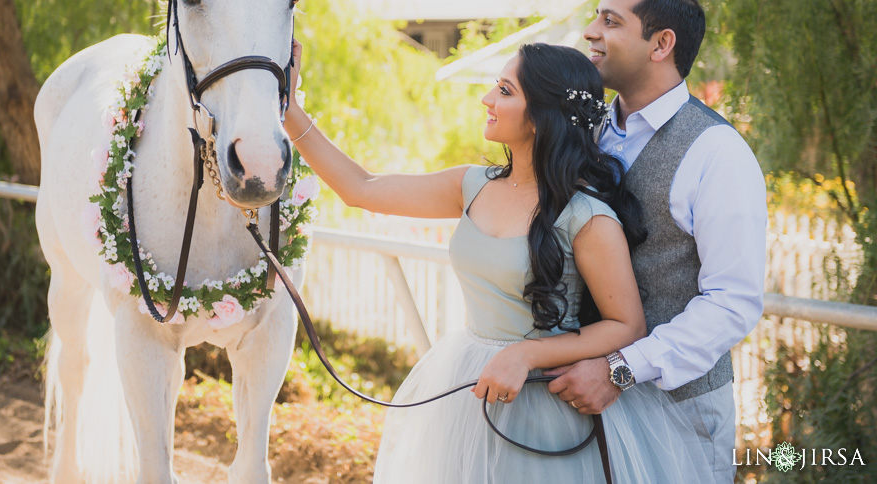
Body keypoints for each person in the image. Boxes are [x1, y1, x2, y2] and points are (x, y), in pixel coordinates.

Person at [283, 40, 713, 482]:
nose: (487, 99)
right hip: (468, 383)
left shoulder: (588, 217)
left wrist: (527, 353)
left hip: (544, 403)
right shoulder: (472, 184)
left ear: (541, 116)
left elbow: (627, 326)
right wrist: (289, 109)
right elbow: (361, 188)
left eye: (505, 91)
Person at [546, 0, 767, 483]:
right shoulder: (586, 129)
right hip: (575, 403)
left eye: (610, 21)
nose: (590, 33)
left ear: (661, 43)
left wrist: (619, 370)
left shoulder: (718, 152)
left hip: (679, 412)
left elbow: (733, 302)